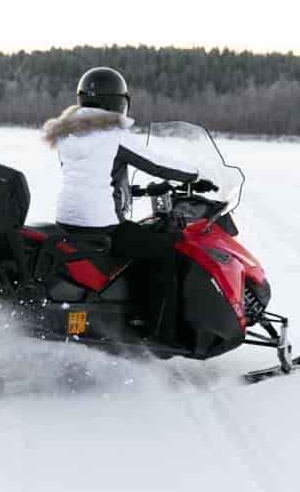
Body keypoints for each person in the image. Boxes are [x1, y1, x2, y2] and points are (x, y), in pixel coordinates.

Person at [42, 66, 213, 347]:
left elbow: (91, 175)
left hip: (68, 218)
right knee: (163, 255)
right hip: (101, 223)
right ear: (118, 101)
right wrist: (195, 175)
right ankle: (159, 335)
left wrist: (131, 190)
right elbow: (156, 164)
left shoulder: (67, 135)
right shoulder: (111, 134)